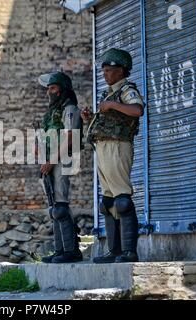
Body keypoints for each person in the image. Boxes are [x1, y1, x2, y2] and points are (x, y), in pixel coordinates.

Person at [81, 48, 144, 263]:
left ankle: (129, 252)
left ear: (121, 71)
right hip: (103, 146)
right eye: (104, 71)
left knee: (122, 200)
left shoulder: (127, 89)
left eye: (109, 71)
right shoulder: (108, 93)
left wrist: (112, 105)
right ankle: (114, 250)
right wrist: (90, 118)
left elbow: (137, 110)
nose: (105, 74)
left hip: (118, 147)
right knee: (107, 202)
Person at [37, 71, 83, 264]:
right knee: (54, 207)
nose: (50, 92)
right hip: (49, 161)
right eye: (48, 88)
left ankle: (71, 251)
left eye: (53, 88)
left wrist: (51, 161)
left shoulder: (70, 109)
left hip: (62, 160)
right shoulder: (52, 112)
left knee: (60, 208)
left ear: (62, 90)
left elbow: (70, 137)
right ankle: (60, 250)